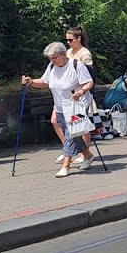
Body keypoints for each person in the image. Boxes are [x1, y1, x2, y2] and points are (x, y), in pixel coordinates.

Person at [23, 42, 96, 177]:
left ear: (63, 55)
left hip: (77, 105)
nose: (52, 61)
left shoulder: (76, 65)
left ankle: (66, 166)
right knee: (74, 135)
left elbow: (89, 82)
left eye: (54, 58)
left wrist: (81, 92)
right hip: (61, 107)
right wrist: (31, 82)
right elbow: (44, 82)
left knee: (70, 134)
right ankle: (88, 155)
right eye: (50, 58)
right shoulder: (52, 66)